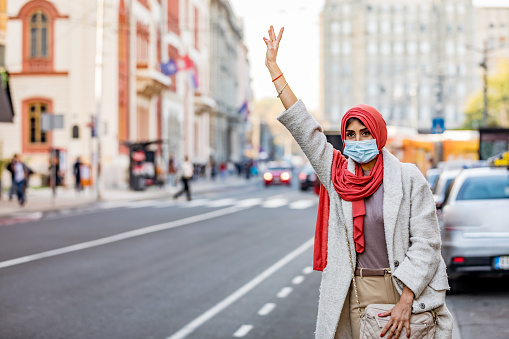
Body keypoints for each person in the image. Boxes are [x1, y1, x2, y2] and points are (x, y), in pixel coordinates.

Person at [263, 26, 453, 339]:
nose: (357, 140)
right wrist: (274, 69)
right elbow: (305, 129)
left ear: (378, 135)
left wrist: (407, 299)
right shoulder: (337, 173)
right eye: (350, 134)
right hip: (352, 291)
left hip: (401, 287)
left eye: (365, 133)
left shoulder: (407, 177)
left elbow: (427, 243)